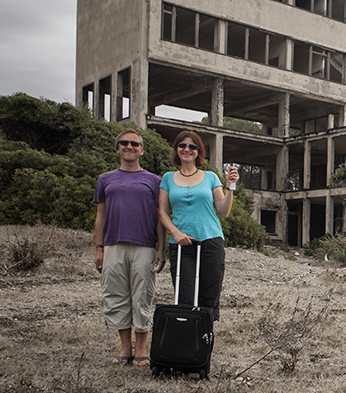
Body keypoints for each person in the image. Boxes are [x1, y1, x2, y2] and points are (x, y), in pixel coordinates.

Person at [93, 130, 166, 367]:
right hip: (113, 243)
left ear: (142, 150)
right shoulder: (106, 179)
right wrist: (98, 247)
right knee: (115, 295)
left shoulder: (154, 181)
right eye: (124, 143)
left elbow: (160, 217)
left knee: (142, 295)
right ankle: (125, 346)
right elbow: (100, 216)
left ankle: (142, 347)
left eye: (135, 144)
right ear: (117, 148)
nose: (129, 146)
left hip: (144, 245)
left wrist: (161, 248)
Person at [158, 130, 238, 321]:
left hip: (210, 241)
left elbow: (223, 211)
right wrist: (175, 233)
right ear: (176, 149)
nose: (187, 149)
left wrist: (231, 186)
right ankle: (185, 344)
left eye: (192, 146)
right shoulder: (168, 178)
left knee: (208, 298)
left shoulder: (210, 177)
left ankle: (203, 342)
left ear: (199, 151)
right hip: (181, 245)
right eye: (182, 145)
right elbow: (162, 211)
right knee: (184, 297)